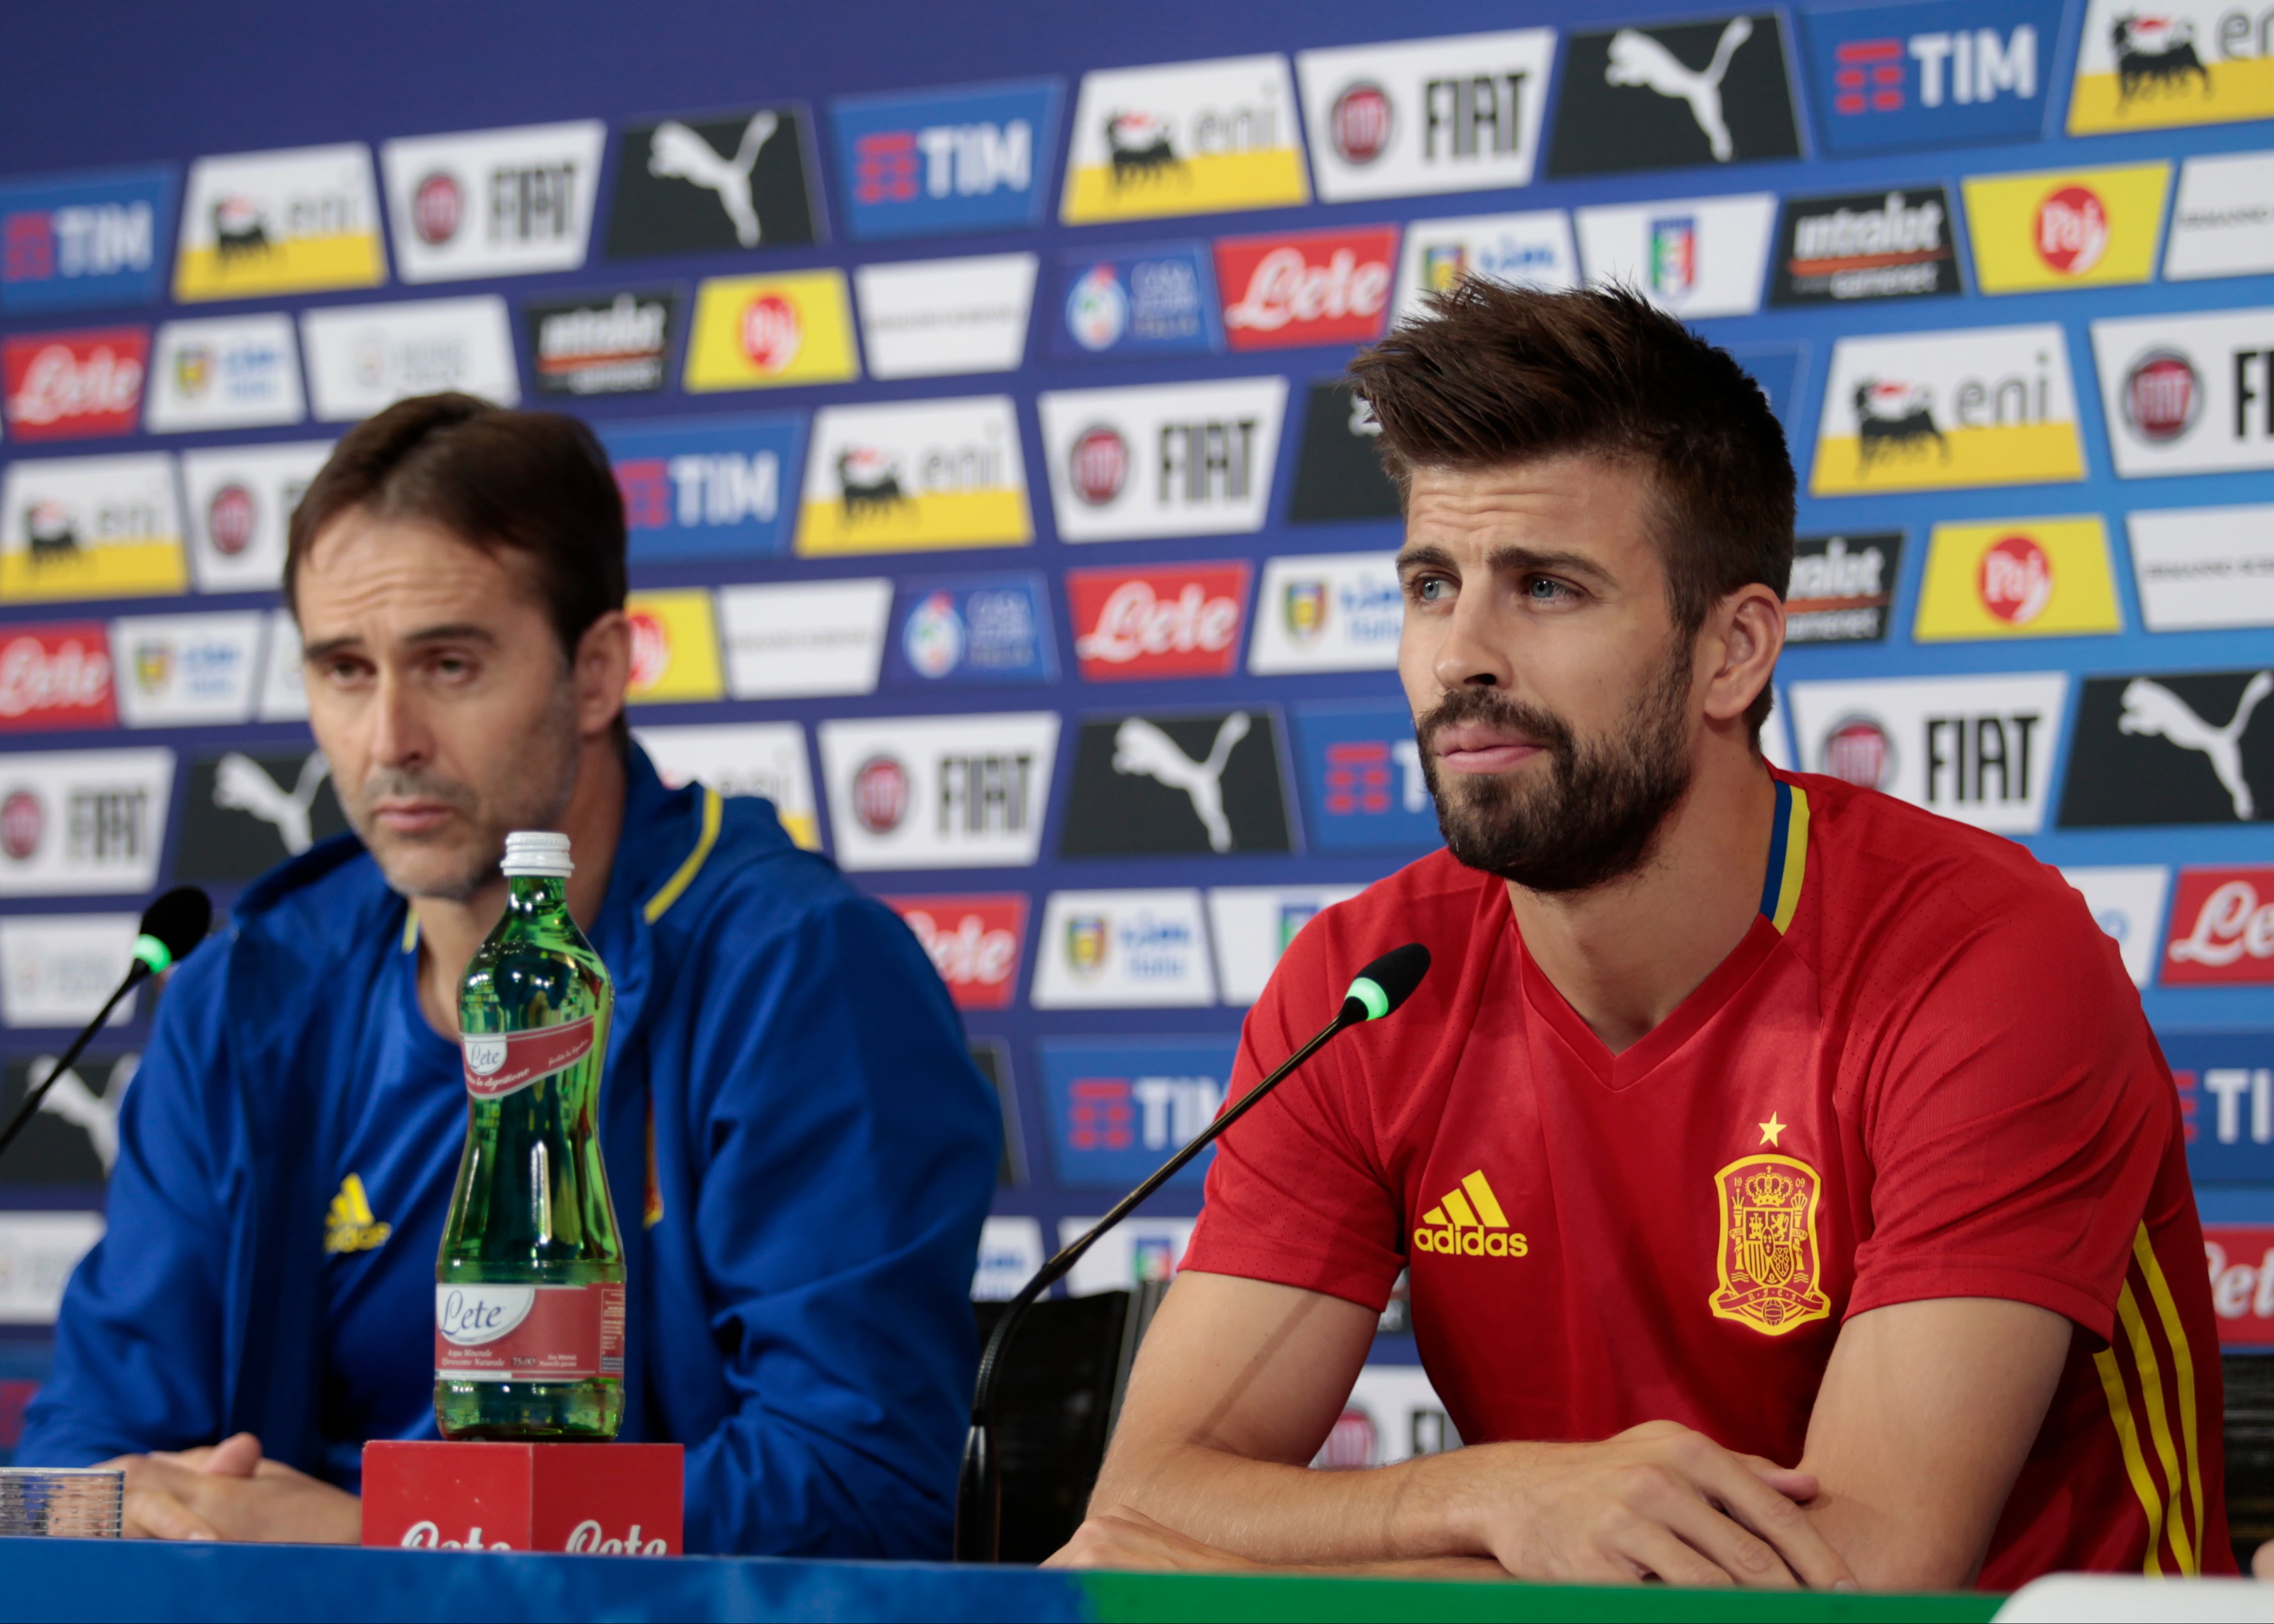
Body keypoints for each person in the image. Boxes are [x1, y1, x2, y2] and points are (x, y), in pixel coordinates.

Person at [1051, 284, 2232, 1590]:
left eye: (1545, 588)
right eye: (1430, 585)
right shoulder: (1363, 983)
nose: (1461, 654)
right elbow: (1148, 1501)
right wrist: (1505, 1491)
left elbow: (1853, 1580)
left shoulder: (1983, 960)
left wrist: (1290, 1572)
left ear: (1733, 651)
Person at [17, 394, 999, 1556]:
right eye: (344, 668)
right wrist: (109, 1507)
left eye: (449, 663)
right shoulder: (248, 995)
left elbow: (857, 1484)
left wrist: (390, 1538)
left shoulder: (793, 974)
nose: (389, 738)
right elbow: (86, 1450)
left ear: (596, 674)